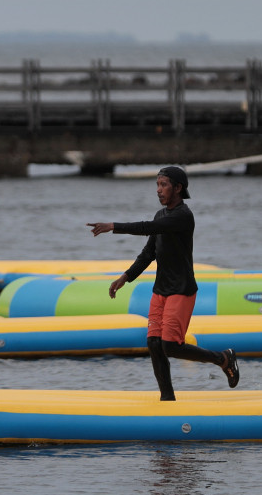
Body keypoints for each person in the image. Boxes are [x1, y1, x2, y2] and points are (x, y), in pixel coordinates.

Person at [87, 165, 239, 401]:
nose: (158, 190)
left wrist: (113, 226)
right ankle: (167, 399)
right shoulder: (161, 215)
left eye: (163, 185)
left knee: (171, 345)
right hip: (161, 290)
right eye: (157, 185)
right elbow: (149, 253)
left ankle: (223, 359)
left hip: (181, 289)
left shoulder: (183, 216)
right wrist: (125, 277)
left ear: (178, 188)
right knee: (154, 344)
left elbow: (149, 227)